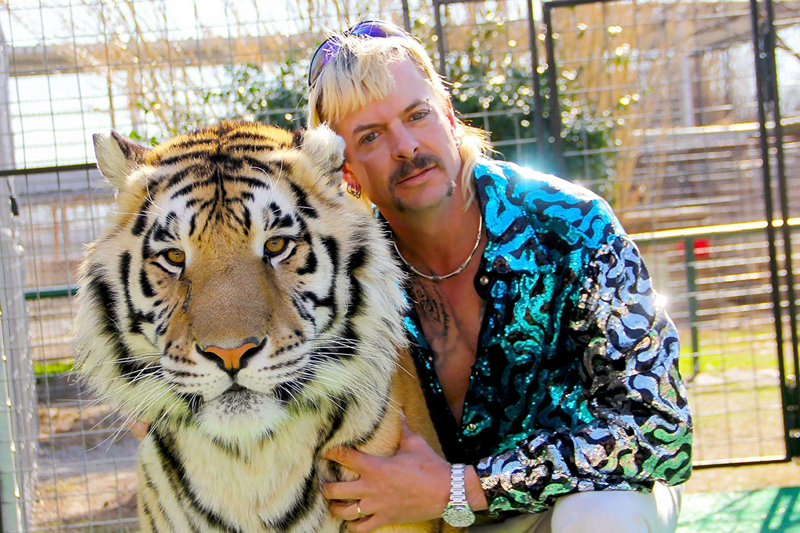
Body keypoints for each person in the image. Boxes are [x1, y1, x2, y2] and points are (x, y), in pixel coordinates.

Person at [306, 20, 693, 533]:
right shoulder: (345, 280)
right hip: (432, 520)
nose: (405, 146)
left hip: (574, 501)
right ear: (348, 171)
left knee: (602, 518)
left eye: (417, 115)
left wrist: (461, 489)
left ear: (447, 116)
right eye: (371, 136)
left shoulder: (573, 224)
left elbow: (660, 432)